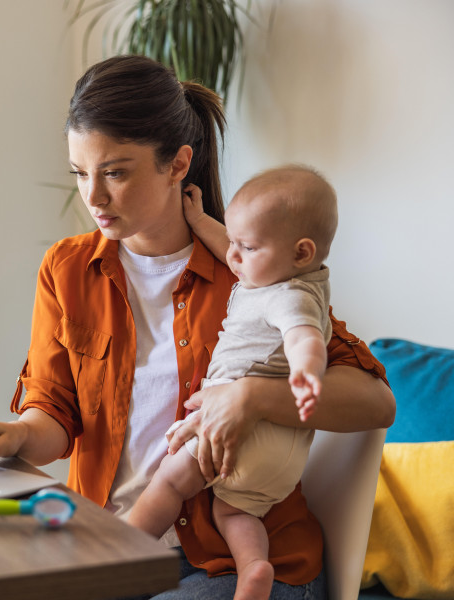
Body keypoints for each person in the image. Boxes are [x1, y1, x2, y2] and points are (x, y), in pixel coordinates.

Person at [0, 55, 394, 599]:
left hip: (237, 566)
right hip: (110, 548)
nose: (93, 197)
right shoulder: (67, 269)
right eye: (80, 173)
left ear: (177, 165)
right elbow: (54, 416)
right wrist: (17, 435)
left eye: (115, 172)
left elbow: (375, 402)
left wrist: (250, 398)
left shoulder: (251, 275)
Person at [125, 165, 339, 600]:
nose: (235, 257)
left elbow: (305, 336)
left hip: (241, 429)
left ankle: (115, 549)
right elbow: (230, 248)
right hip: (278, 453)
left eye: (248, 246)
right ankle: (253, 567)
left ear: (301, 253)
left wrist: (306, 368)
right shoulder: (277, 273)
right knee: (234, 510)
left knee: (169, 480)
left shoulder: (290, 296)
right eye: (235, 244)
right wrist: (201, 221)